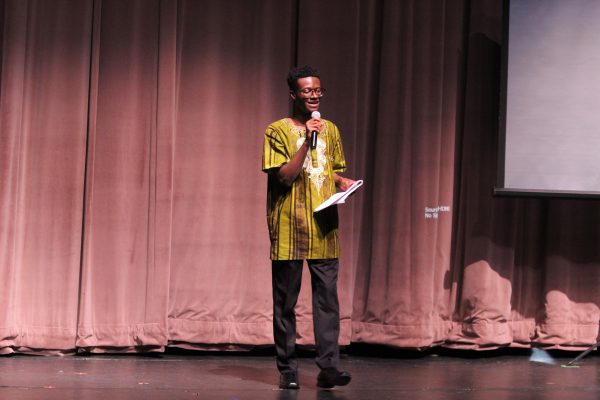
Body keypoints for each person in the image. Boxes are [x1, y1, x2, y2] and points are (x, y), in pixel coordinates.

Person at [262, 65, 355, 390]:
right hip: (289, 226)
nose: (313, 95)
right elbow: (284, 177)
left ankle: (329, 368)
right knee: (285, 302)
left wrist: (343, 182)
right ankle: (288, 370)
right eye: (307, 90)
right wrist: (307, 142)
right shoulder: (277, 130)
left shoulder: (331, 128)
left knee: (327, 301)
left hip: (324, 226)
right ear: (293, 95)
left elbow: (332, 170)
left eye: (317, 90)